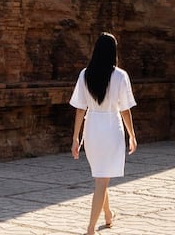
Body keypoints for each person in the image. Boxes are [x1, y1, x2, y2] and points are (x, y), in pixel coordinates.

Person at [69, 32, 138, 234]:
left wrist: (76, 137)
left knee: (101, 176)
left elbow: (80, 109)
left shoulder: (85, 74)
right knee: (101, 178)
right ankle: (90, 228)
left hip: (92, 128)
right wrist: (132, 134)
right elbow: (125, 109)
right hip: (111, 128)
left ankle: (108, 214)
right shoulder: (120, 76)